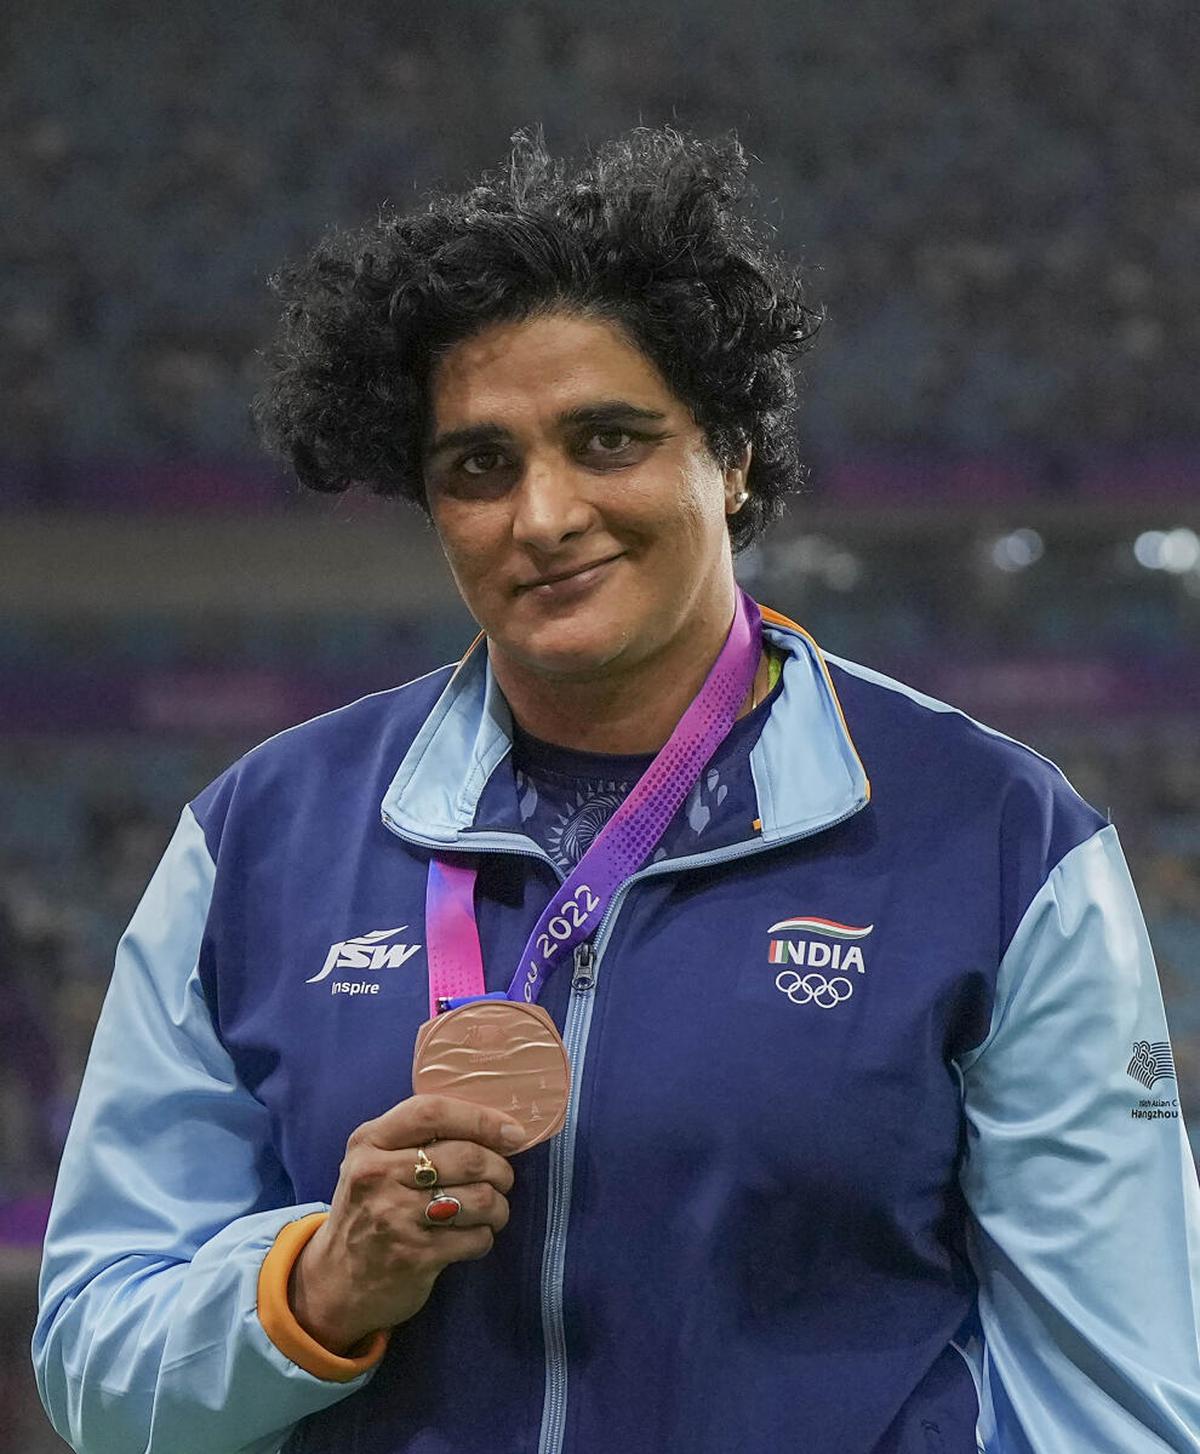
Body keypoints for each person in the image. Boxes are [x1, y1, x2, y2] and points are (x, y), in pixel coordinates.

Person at [32, 126, 1200, 1454]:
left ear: (734, 453)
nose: (543, 514)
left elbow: (1117, 1405)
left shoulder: (997, 839)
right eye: (478, 466)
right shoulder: (255, 841)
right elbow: (91, 1360)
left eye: (609, 439)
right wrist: (312, 1289)